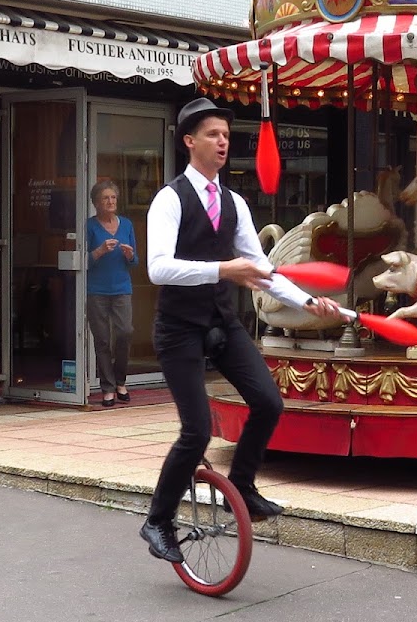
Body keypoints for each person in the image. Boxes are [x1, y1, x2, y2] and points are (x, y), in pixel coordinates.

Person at [139, 96, 340, 564]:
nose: (223, 141)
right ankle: (157, 520)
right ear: (190, 142)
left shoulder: (235, 203)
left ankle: (244, 486)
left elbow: (263, 269)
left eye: (226, 135)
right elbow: (159, 269)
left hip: (221, 323)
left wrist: (309, 301)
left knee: (269, 402)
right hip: (179, 329)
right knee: (196, 431)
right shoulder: (169, 199)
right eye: (212, 134)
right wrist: (223, 270)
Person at [86, 180, 137, 408]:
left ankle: (120, 381)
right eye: (105, 198)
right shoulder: (88, 226)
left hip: (121, 289)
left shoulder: (126, 225)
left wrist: (129, 255)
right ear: (96, 202)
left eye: (113, 198)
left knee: (125, 332)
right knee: (103, 339)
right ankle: (107, 388)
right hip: (96, 289)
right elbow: (82, 261)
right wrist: (98, 251)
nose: (110, 202)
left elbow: (135, 261)